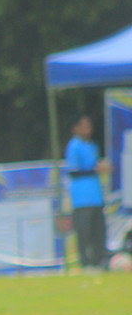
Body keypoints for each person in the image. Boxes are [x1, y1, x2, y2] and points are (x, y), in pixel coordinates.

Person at [65, 114, 109, 270]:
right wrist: (94, 170)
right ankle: (86, 263)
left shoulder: (92, 145)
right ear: (76, 128)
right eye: (84, 127)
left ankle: (100, 262)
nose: (88, 130)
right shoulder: (74, 145)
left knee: (99, 231)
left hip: (96, 197)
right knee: (85, 233)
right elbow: (74, 171)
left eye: (89, 126)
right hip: (82, 199)